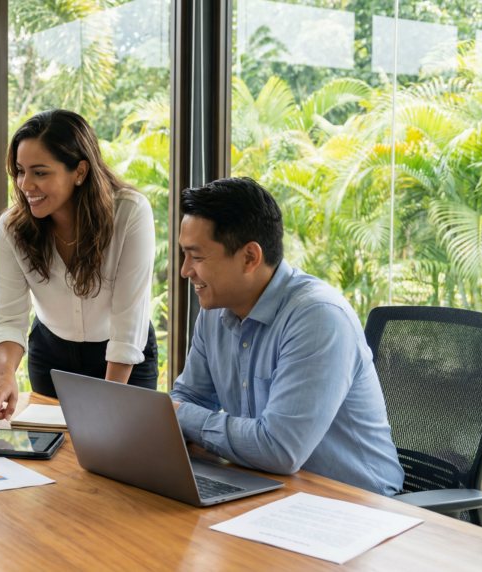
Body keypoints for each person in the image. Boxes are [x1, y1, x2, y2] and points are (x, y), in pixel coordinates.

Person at [169, 177, 404, 495]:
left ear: (250, 257)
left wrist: (180, 416)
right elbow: (188, 397)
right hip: (271, 488)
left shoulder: (318, 317)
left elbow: (279, 449)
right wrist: (176, 414)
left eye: (196, 257)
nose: (185, 271)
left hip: (354, 505)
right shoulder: (215, 310)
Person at [0, 109, 159, 423]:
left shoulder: (129, 213)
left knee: (115, 450)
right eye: (20, 171)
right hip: (51, 356)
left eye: (40, 172)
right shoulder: (12, 228)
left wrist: (110, 399)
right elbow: (9, 316)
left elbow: (128, 321)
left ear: (79, 171)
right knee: (57, 459)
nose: (25, 185)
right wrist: (4, 374)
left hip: (123, 359)